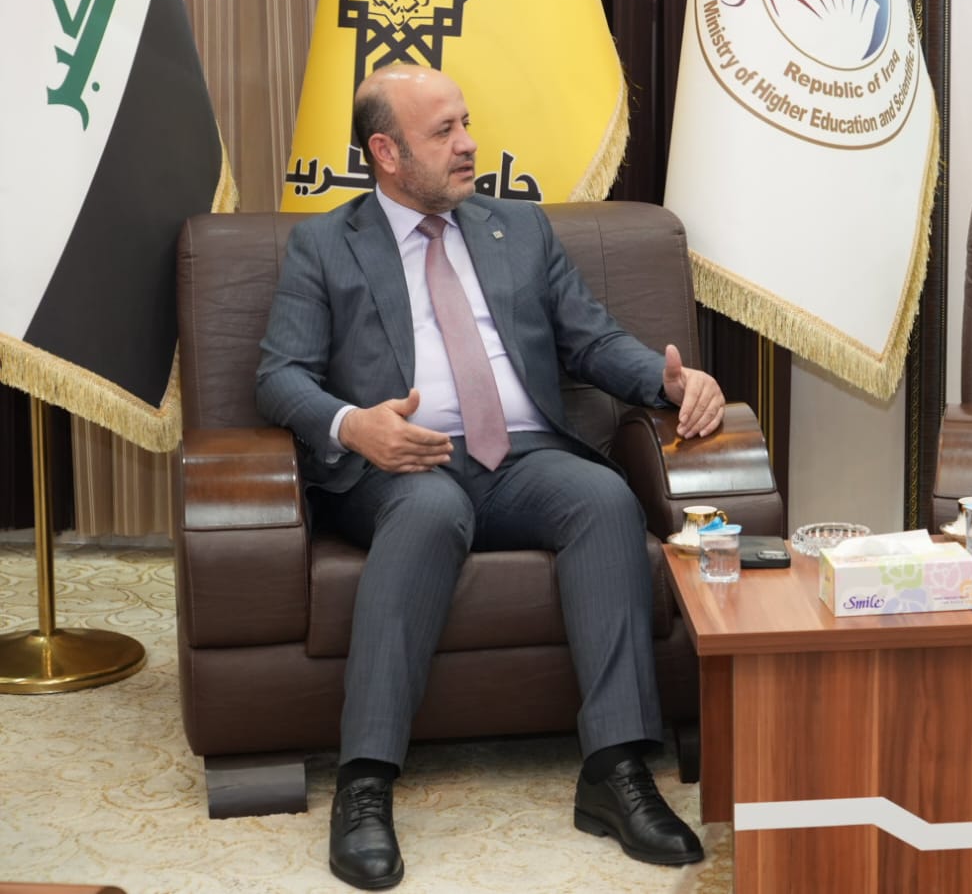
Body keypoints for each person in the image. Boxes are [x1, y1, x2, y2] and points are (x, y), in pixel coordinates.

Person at [257, 64, 724, 889]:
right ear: (386, 152)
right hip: (401, 463)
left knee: (604, 499)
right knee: (430, 510)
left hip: (519, 455)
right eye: (444, 131)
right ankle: (365, 782)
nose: (469, 143)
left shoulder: (519, 227)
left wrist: (668, 380)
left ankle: (615, 770)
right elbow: (279, 374)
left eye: (465, 122)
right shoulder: (325, 244)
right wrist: (355, 424)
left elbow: (590, 339)